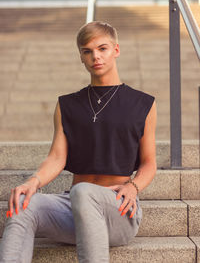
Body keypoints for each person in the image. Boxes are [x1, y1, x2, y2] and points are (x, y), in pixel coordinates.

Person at [0, 21, 157, 263]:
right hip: (73, 206)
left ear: (116, 50)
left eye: (102, 49)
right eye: (87, 51)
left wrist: (133, 187)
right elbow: (56, 157)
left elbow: (149, 163)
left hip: (118, 209)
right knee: (22, 203)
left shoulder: (142, 103)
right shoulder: (67, 105)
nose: (96, 56)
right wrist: (33, 181)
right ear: (81, 57)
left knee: (84, 192)